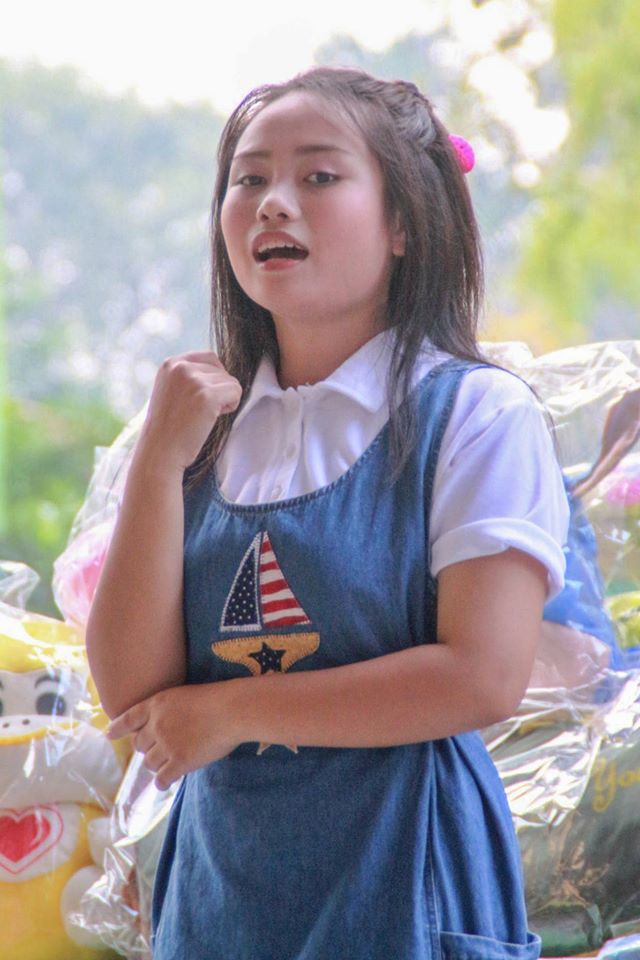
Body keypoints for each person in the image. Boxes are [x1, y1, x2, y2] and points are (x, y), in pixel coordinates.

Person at [86, 66, 570, 959]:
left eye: (319, 175)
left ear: (403, 223)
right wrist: (156, 460)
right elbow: (133, 699)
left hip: (407, 883)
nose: (273, 202)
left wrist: (231, 712)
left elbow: (482, 676)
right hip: (220, 896)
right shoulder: (191, 429)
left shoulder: (477, 414)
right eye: (249, 178)